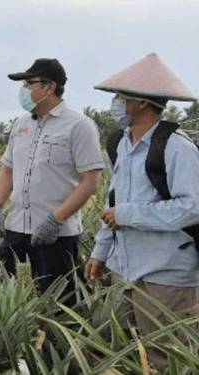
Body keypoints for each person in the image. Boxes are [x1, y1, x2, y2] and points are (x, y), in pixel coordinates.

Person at [85, 53, 199, 371]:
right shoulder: (120, 144)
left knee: (168, 359)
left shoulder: (177, 148)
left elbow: (192, 207)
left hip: (168, 274)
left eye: (121, 97)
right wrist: (101, 251)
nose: (117, 103)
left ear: (141, 103)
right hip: (125, 268)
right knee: (124, 353)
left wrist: (128, 214)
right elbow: (113, 202)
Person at [0, 58, 103, 303]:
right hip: (17, 229)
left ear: (50, 87)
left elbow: (89, 181)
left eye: (30, 83)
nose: (24, 90)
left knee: (59, 304)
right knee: (12, 300)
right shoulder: (20, 125)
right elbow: (7, 170)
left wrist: (56, 219)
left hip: (56, 235)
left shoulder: (79, 126)